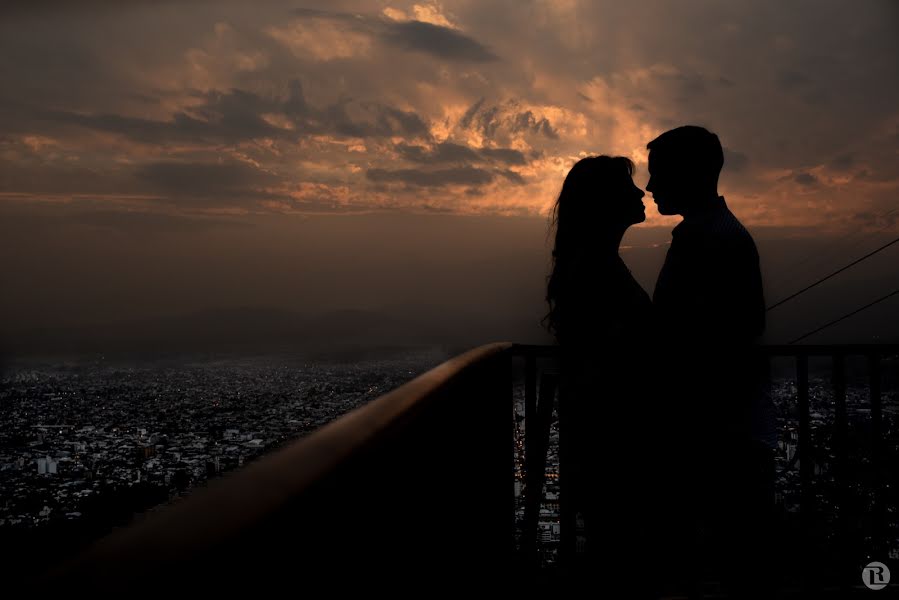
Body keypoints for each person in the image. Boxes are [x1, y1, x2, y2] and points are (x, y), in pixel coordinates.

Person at [646, 125, 774, 597]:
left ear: (691, 174)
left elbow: (710, 336)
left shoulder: (710, 240)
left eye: (658, 174)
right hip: (724, 427)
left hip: (715, 430)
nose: (651, 186)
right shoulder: (717, 235)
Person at [544, 155, 657, 593]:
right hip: (614, 443)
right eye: (628, 187)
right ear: (606, 202)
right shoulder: (597, 271)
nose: (641, 192)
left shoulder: (594, 264)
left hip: (605, 441)